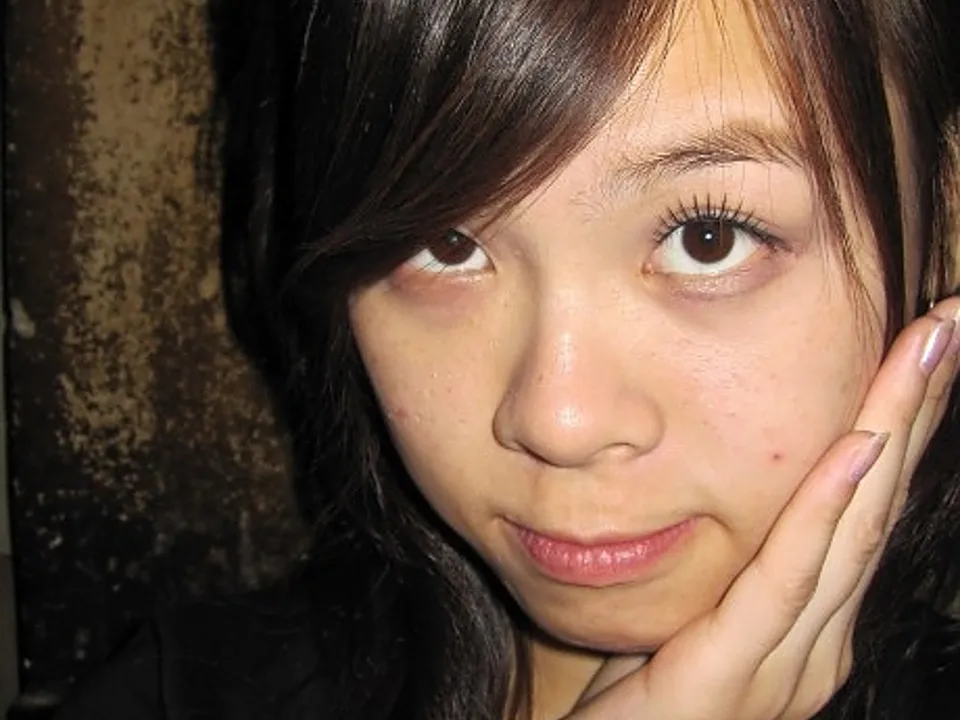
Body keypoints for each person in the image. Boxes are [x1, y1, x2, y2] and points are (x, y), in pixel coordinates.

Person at [56, 0, 960, 718]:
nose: (558, 422)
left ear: (947, 223)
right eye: (445, 244)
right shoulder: (181, 692)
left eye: (708, 237)